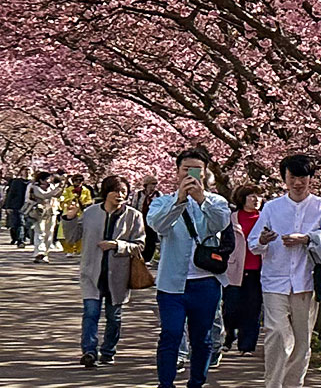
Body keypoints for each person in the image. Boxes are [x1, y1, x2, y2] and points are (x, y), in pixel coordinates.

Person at [248, 154, 321, 388]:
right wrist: (264, 240)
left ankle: (292, 385)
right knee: (276, 333)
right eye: (293, 177)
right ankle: (273, 384)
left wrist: (308, 238)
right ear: (285, 179)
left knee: (302, 341)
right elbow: (253, 242)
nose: (298, 183)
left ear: (310, 179)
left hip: (306, 282)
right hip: (274, 280)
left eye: (303, 177)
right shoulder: (271, 208)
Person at [149, 148, 232, 388]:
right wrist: (180, 201)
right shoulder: (162, 202)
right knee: (171, 334)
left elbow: (220, 222)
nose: (191, 175)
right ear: (176, 173)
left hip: (205, 282)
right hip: (171, 283)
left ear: (205, 174)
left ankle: (197, 382)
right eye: (186, 169)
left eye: (196, 170)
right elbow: (158, 225)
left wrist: (201, 199)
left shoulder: (216, 202)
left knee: (202, 338)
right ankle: (165, 383)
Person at [70, 175, 144, 368]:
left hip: (118, 275)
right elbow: (72, 237)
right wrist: (69, 218)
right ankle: (89, 351)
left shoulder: (133, 216)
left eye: (124, 192)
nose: (120, 195)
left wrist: (116, 245)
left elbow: (140, 245)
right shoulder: (90, 213)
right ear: (106, 192)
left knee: (114, 317)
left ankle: (108, 351)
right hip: (91, 272)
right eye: (116, 191)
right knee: (91, 313)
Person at [222, 184, 265, 356]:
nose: (256, 199)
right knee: (230, 308)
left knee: (253, 309)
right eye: (251, 196)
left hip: (257, 270)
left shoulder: (265, 218)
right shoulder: (231, 218)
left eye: (258, 196)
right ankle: (229, 333)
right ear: (242, 199)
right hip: (234, 269)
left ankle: (247, 345)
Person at [29, 172, 63, 262]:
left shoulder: (51, 187)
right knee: (40, 231)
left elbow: (57, 195)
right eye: (48, 179)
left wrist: (62, 187)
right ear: (41, 180)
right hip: (39, 212)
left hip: (51, 212)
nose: (50, 180)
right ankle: (39, 252)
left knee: (49, 233)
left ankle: (45, 254)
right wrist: (57, 189)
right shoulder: (34, 187)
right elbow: (44, 195)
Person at [61, 174, 91, 256]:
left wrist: (83, 203)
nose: (78, 182)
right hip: (70, 212)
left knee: (81, 231)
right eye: (76, 180)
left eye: (80, 180)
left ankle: (79, 249)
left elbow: (89, 200)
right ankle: (69, 250)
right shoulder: (68, 190)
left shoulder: (86, 190)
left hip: (81, 212)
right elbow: (63, 199)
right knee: (69, 231)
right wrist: (71, 199)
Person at [5, 174, 29, 246]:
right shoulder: (16, 182)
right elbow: (10, 194)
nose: (27, 172)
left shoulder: (32, 183)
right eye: (25, 170)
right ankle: (20, 240)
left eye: (29, 170)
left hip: (29, 206)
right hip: (17, 205)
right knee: (19, 223)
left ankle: (21, 238)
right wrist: (8, 206)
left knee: (26, 223)